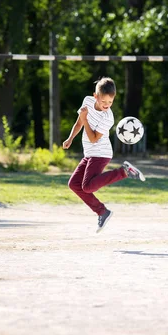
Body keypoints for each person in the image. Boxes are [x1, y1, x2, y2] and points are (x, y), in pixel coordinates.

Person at [62, 77, 145, 233]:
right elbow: (79, 122)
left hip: (101, 153)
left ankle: (124, 172)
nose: (106, 105)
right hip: (89, 153)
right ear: (95, 96)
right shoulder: (87, 101)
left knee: (86, 187)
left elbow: (93, 138)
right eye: (103, 102)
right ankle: (102, 212)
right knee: (74, 184)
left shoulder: (108, 117)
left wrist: (85, 119)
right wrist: (70, 138)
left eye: (110, 102)